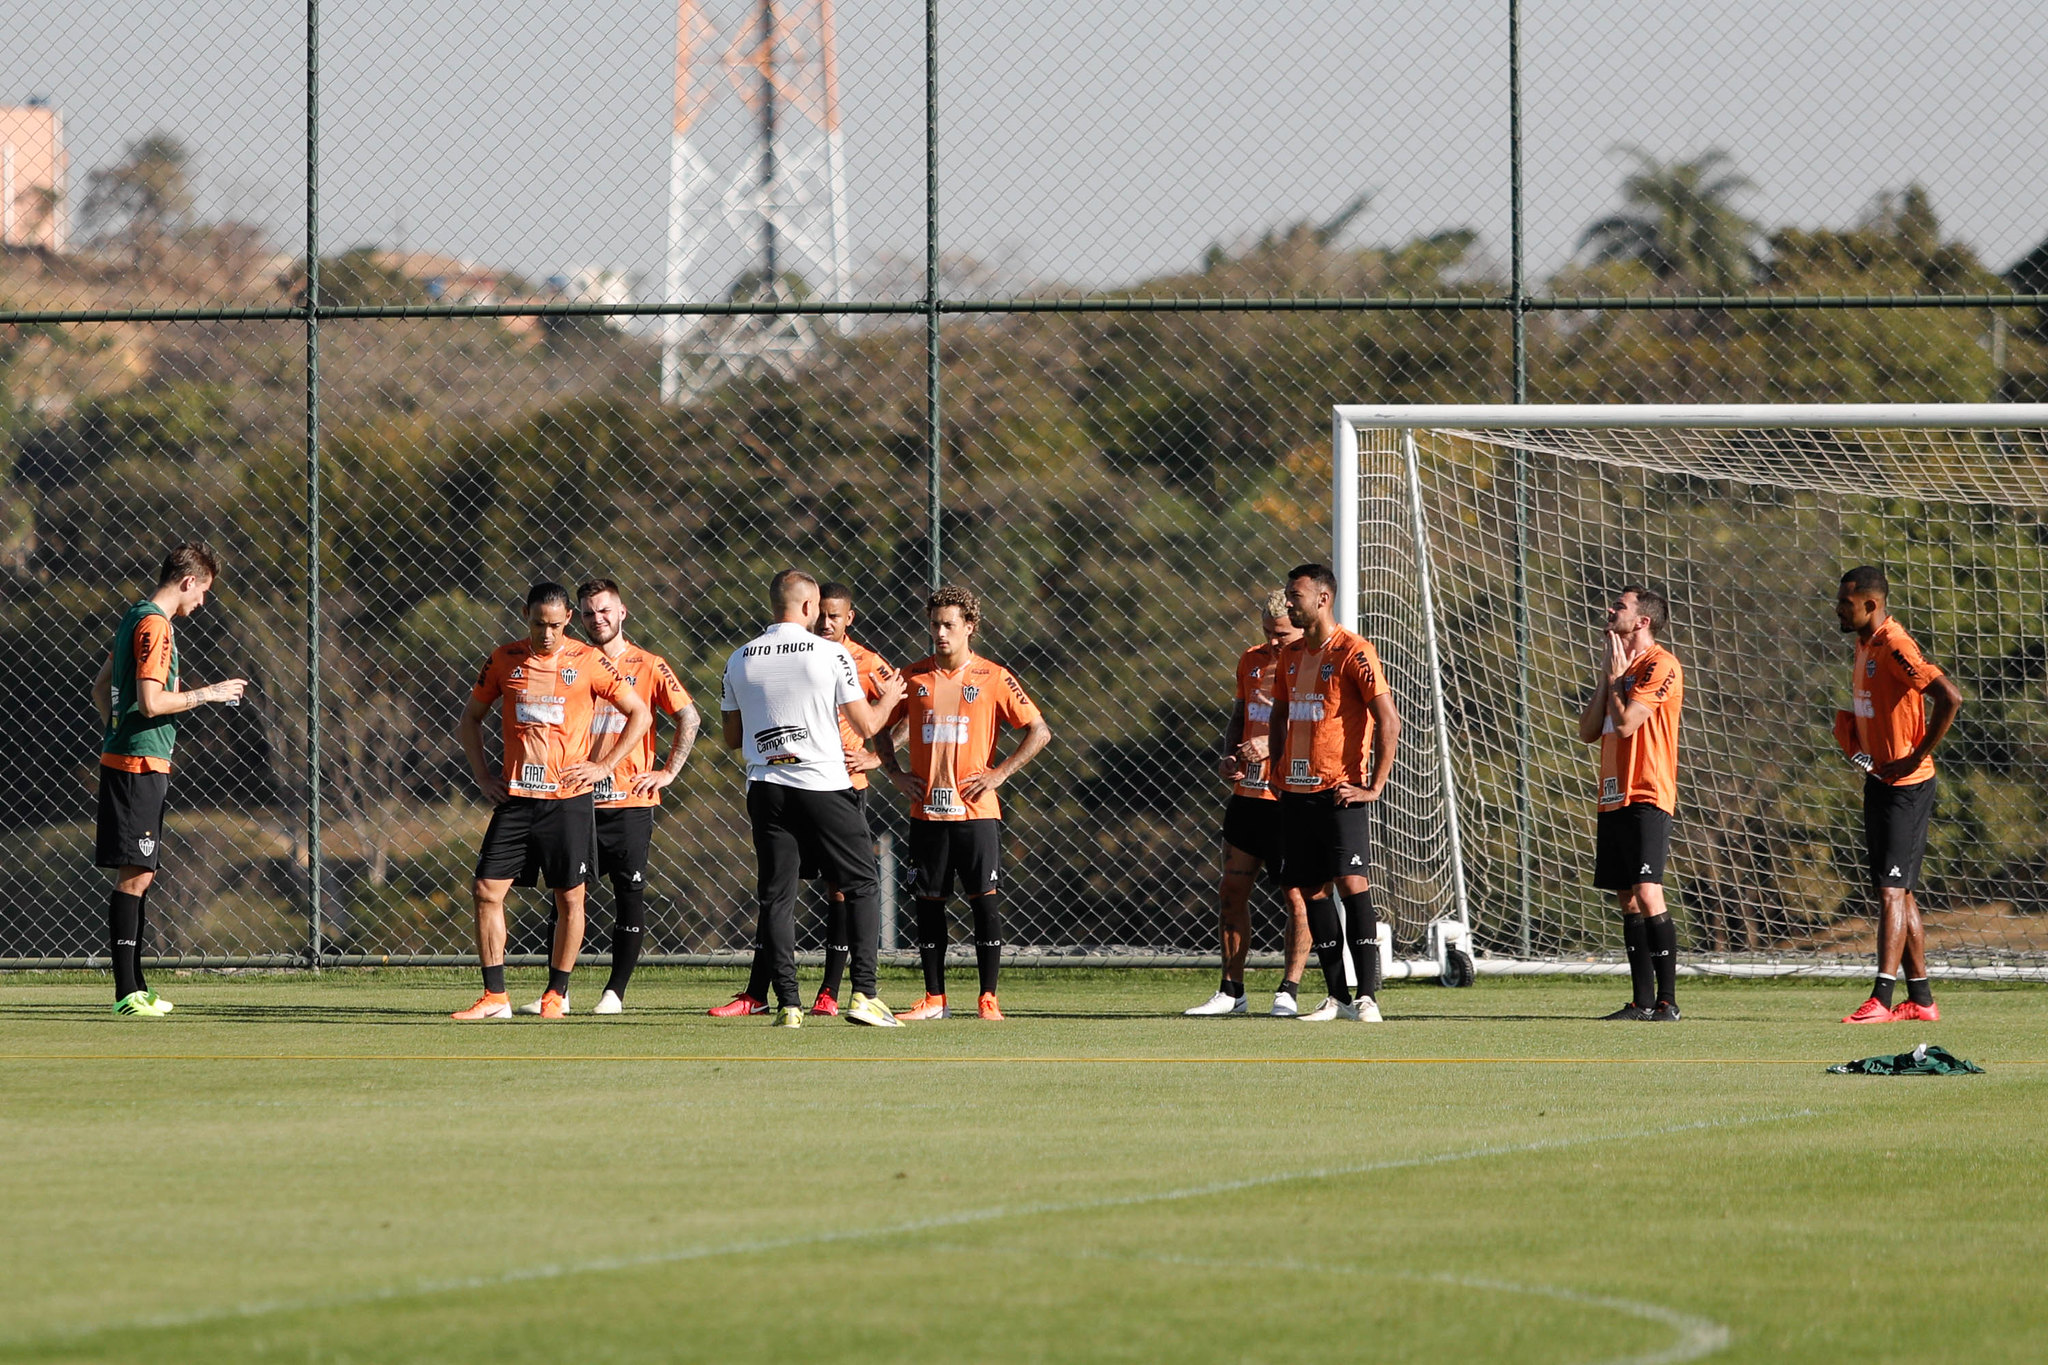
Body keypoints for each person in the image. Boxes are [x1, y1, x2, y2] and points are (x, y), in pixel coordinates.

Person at [452, 582, 651, 1020]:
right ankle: (495, 997)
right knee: (486, 890)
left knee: (570, 898)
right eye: (539, 624)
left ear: (567, 623)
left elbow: (640, 713)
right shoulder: (505, 659)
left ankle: (556, 994)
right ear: (526, 615)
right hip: (518, 798)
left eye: (557, 626)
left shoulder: (588, 660)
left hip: (568, 801)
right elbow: (470, 718)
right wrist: (484, 775)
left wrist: (602, 766)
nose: (547, 634)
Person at [719, 569, 906, 1028]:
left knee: (777, 896)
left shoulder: (739, 659)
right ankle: (863, 995)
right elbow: (865, 726)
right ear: (807, 607)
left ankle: (787, 1005)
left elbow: (731, 736)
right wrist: (890, 698)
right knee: (860, 882)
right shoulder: (831, 653)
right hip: (822, 784)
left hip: (766, 788)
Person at [512, 580, 699, 1016]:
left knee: (628, 893)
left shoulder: (649, 664)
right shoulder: (568, 658)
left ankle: (614, 993)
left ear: (622, 612)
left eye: (605, 611)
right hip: (573, 800)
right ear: (578, 616)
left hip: (629, 800)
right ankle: (558, 991)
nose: (599, 619)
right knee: (566, 896)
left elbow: (688, 716)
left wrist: (668, 772)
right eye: (590, 612)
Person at [878, 584, 1052, 1021]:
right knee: (928, 903)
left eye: (949, 625)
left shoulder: (993, 676)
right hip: (927, 813)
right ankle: (934, 999)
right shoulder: (912, 675)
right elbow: (880, 726)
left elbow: (1039, 730)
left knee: (984, 901)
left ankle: (987, 998)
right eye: (934, 624)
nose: (940, 633)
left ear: (969, 628)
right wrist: (894, 772)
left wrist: (1000, 773)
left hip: (977, 812)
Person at [92, 542, 248, 1017]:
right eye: (203, 592)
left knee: (142, 873)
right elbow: (151, 703)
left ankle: (136, 985)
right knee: (135, 876)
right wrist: (210, 694)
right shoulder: (156, 625)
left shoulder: (134, 616)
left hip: (136, 761)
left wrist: (116, 733)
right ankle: (126, 993)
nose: (201, 603)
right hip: (137, 767)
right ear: (187, 582)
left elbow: (101, 689)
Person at [1266, 562, 1400, 1023]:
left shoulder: (1355, 652)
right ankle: (1337, 997)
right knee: (1310, 889)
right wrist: (1277, 771)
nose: (1288, 602)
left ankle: (1368, 997)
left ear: (1322, 598)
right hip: (1295, 792)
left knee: (1351, 882)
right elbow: (1280, 717)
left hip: (1339, 791)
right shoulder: (1290, 655)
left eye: (1295, 595)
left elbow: (1389, 719)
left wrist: (1374, 785)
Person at [1833, 566, 1962, 1024]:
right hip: (1882, 781)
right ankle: (1922, 999)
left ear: (1871, 605)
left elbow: (1949, 696)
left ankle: (1881, 1000)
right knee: (1900, 893)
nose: (1838, 610)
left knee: (1891, 891)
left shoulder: (1895, 645)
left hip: (1907, 786)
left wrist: (1914, 757)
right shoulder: (1864, 643)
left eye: (1846, 604)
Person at [1188, 588, 1313, 1017]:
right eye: (1267, 633)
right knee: (1231, 889)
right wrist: (1229, 755)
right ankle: (1231, 991)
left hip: (1290, 798)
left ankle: (1289, 990)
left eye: (1281, 633)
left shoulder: (1313, 664)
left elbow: (1319, 728)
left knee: (1295, 895)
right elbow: (1239, 715)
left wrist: (1271, 745)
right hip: (1248, 798)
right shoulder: (1251, 660)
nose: (1274, 641)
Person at [1577, 587, 1685, 1022]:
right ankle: (1641, 1002)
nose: (1610, 610)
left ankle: (1668, 1002)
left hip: (1647, 790)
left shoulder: (1661, 664)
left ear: (1642, 621)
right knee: (1627, 897)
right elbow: (1588, 731)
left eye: (1620, 606)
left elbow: (1626, 724)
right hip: (1613, 793)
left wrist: (1619, 679)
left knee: (1647, 889)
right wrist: (1609, 676)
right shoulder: (1618, 669)